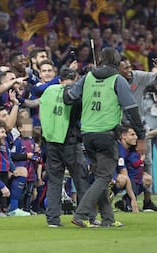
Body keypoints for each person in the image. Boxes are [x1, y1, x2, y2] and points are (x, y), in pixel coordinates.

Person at [63, 47, 146, 228]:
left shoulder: (87, 77)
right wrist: (141, 135)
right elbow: (131, 109)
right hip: (106, 135)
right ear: (117, 62)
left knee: (101, 177)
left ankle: (107, 219)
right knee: (104, 176)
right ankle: (81, 213)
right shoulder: (118, 80)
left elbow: (69, 97)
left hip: (87, 134)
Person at [39, 67, 90, 227]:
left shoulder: (49, 90)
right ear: (74, 79)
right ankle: (85, 216)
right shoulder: (74, 93)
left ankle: (53, 220)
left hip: (51, 141)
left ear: (60, 79)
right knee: (80, 179)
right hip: (70, 142)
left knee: (54, 181)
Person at [119, 55, 157, 211]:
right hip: (121, 129)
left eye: (129, 66)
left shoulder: (138, 76)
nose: (129, 70)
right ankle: (117, 198)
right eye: (125, 68)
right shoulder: (115, 81)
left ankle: (147, 200)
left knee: (146, 162)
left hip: (138, 129)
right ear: (118, 69)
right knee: (121, 164)